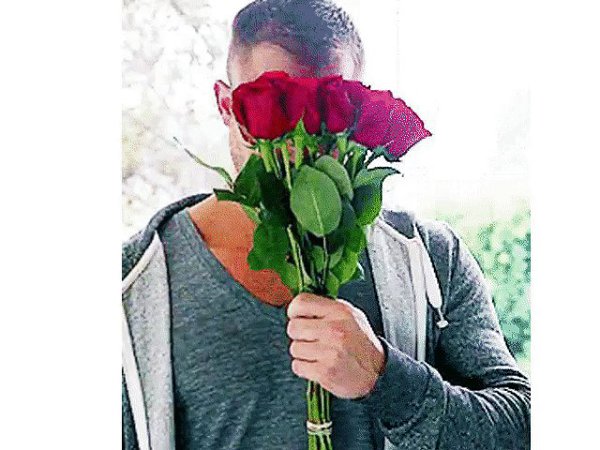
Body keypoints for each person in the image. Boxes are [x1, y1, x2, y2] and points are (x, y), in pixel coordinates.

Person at [122, 1, 531, 449]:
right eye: (276, 112)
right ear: (226, 105)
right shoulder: (131, 286)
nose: (300, 148)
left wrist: (386, 378)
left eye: (326, 118)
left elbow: (523, 428)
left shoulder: (430, 260)